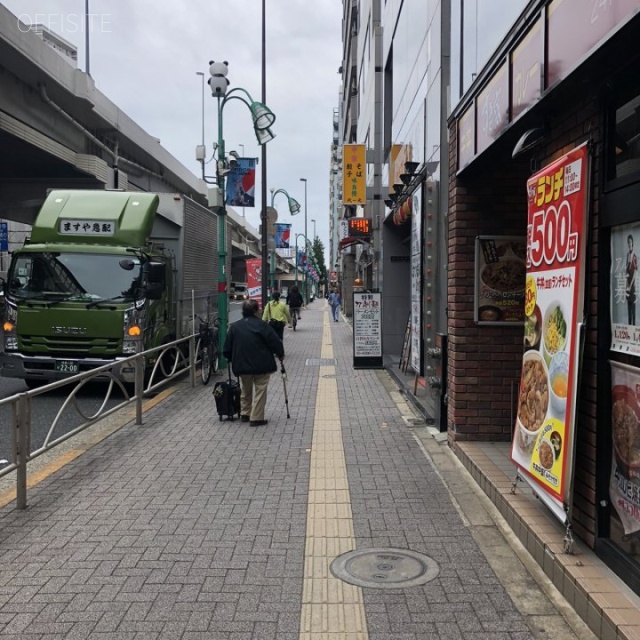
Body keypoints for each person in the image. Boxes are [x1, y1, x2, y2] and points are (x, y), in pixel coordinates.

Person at [223, 299, 284, 427]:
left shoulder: (235, 327)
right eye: (259, 309)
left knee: (245, 387)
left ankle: (245, 413)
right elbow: (275, 341)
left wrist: (229, 357)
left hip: (242, 365)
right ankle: (256, 417)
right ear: (256, 311)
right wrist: (280, 354)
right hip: (261, 364)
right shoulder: (262, 325)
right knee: (260, 390)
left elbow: (227, 347)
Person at [627, 234, 638, 325]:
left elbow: (635, 272)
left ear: (632, 243)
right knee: (628, 308)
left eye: (630, 242)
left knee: (633, 309)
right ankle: (629, 327)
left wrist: (630, 285)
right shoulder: (627, 255)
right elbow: (627, 271)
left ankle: (633, 327)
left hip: (632, 286)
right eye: (628, 242)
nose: (629, 244)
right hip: (627, 286)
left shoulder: (634, 256)